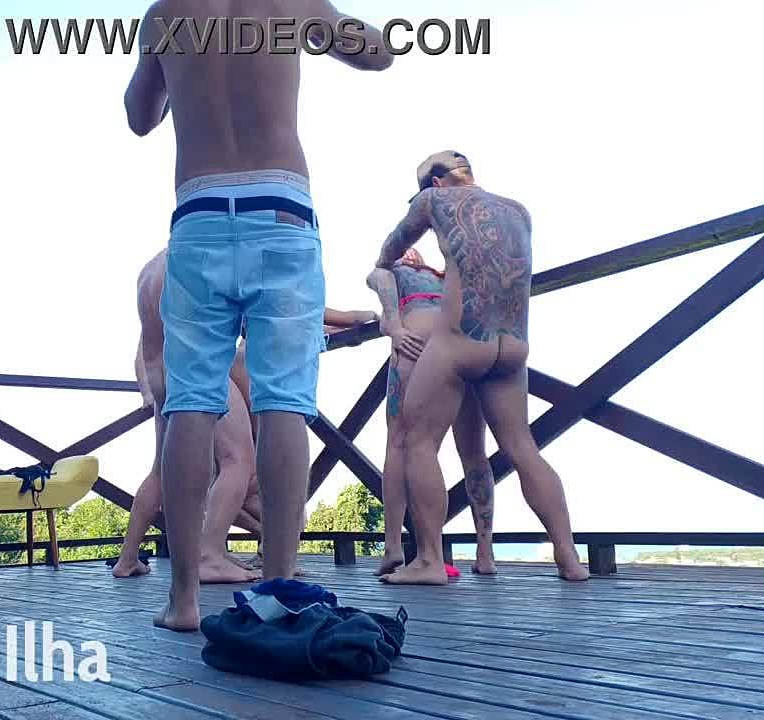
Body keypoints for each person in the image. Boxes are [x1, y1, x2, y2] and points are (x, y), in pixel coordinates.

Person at [125, 0, 392, 630]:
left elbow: (139, 116)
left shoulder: (163, 12)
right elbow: (378, 53)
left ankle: (183, 600)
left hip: (198, 211)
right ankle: (277, 591)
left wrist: (181, 73)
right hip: (281, 208)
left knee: (190, 404)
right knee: (284, 405)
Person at [370, 151, 589, 585]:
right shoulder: (518, 211)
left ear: (434, 184)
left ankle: (429, 561)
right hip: (512, 347)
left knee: (418, 441)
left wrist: (393, 268)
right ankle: (569, 557)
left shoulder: (432, 201)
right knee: (523, 448)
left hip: (460, 343)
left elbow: (388, 252)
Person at [114, 252, 263, 584]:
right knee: (238, 460)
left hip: (164, 374)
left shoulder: (149, 270)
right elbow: (254, 318)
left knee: (160, 471)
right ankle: (210, 555)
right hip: (199, 369)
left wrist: (148, 391)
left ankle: (128, 558)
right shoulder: (196, 256)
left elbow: (144, 344)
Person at [366, 248, 496, 576]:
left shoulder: (392, 270)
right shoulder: (447, 277)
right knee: (474, 451)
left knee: (400, 442)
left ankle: (394, 545)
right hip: (467, 341)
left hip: (417, 336)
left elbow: (378, 277)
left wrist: (392, 323)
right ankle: (485, 552)